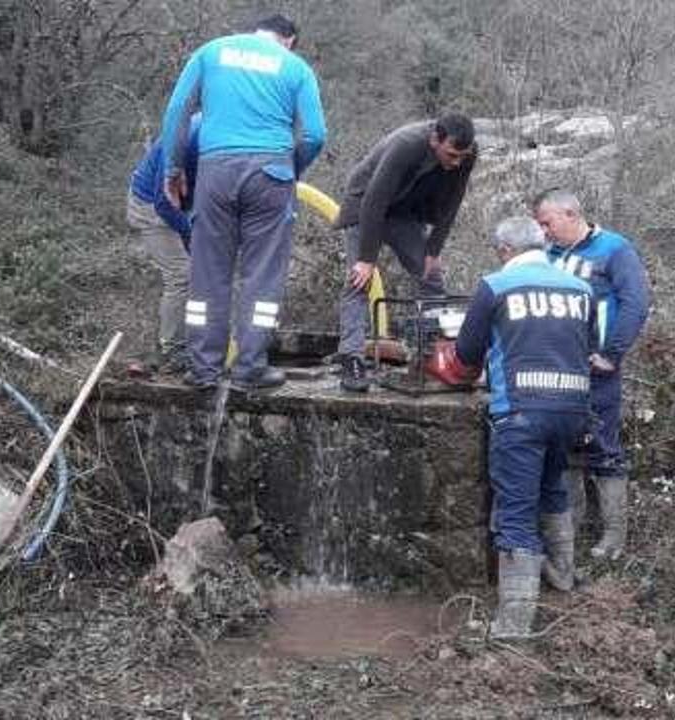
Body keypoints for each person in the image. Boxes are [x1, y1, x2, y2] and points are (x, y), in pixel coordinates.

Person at [438, 216, 595, 639]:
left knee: (516, 511)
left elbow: (466, 356)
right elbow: (590, 347)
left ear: (505, 250)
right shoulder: (581, 289)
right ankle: (563, 577)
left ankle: (514, 624)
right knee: (553, 489)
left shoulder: (496, 285)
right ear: (541, 244)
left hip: (520, 412)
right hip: (572, 408)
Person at [158, 13, 327, 390]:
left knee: (208, 274)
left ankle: (204, 370)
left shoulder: (211, 52)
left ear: (257, 32)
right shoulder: (295, 67)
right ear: (288, 40)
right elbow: (315, 134)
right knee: (263, 275)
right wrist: (289, 170)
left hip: (215, 171)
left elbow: (176, 112)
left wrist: (173, 169)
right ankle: (250, 368)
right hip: (272, 172)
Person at [533, 188, 651, 560]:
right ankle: (573, 530)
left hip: (596, 368)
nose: (544, 231)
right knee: (563, 445)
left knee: (603, 445)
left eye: (547, 223)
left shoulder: (614, 249)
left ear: (570, 214)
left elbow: (636, 302)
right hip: (555, 368)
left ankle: (615, 537)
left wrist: (612, 353)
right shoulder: (546, 255)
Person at [332, 114, 478, 392]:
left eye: (462, 156)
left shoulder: (466, 154)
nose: (456, 162)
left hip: (405, 210)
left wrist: (433, 249)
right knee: (359, 281)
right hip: (365, 204)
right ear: (435, 139)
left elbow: (453, 203)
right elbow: (374, 200)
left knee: (431, 276)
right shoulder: (407, 144)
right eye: (451, 154)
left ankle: (429, 354)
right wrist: (366, 259)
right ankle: (351, 358)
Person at [125, 116, 200, 375]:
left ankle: (198, 339)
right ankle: (172, 349)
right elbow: (163, 204)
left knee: (203, 270)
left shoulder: (227, 134)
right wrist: (189, 231)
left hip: (182, 204)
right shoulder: (183, 141)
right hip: (151, 207)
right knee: (181, 274)